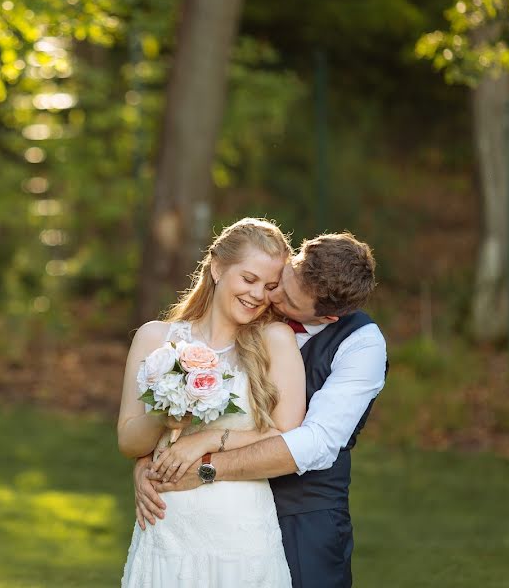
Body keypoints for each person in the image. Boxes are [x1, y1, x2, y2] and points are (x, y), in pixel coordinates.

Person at [134, 232, 388, 588]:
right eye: (281, 282)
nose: (272, 297)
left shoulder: (362, 344)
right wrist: (148, 467)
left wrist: (205, 466)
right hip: (206, 512)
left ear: (328, 317)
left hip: (305, 514)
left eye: (288, 300)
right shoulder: (250, 303)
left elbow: (315, 442)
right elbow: (170, 406)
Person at [118, 218, 305, 587]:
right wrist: (165, 417)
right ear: (217, 268)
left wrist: (206, 439)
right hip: (166, 527)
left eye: (269, 287)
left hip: (240, 534)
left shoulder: (275, 340)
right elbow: (128, 442)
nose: (257, 295)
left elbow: (287, 434)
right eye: (248, 279)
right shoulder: (154, 338)